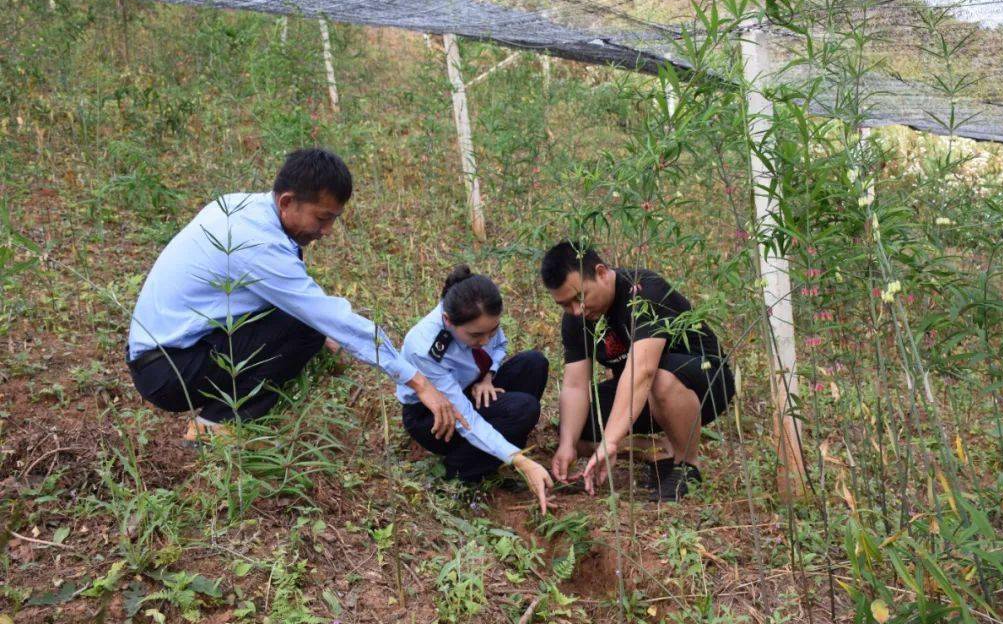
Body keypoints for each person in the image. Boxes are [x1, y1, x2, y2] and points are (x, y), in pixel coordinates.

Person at [127, 148, 462, 444]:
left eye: (333, 219)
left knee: (308, 325)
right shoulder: (256, 243)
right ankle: (213, 429)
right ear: (287, 202)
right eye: (322, 218)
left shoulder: (241, 206)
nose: (327, 232)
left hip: (165, 354)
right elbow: (329, 316)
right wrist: (418, 381)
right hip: (168, 371)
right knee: (306, 328)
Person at [540, 241, 735, 502]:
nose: (577, 310)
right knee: (575, 427)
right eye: (565, 305)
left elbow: (642, 371)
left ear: (601, 272)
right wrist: (567, 445)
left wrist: (610, 441)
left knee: (659, 379)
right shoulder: (577, 318)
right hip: (643, 394)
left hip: (704, 382)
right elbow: (575, 385)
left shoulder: (642, 291)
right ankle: (658, 451)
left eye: (580, 297)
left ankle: (687, 466)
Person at [397, 266, 554, 513]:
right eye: (477, 336)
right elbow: (464, 418)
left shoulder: (482, 319)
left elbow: (499, 346)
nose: (486, 340)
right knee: (523, 408)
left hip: (472, 386)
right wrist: (522, 462)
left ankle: (496, 454)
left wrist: (488, 377)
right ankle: (459, 473)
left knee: (533, 364)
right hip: (432, 415)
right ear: (448, 321)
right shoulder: (425, 348)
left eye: (492, 330)